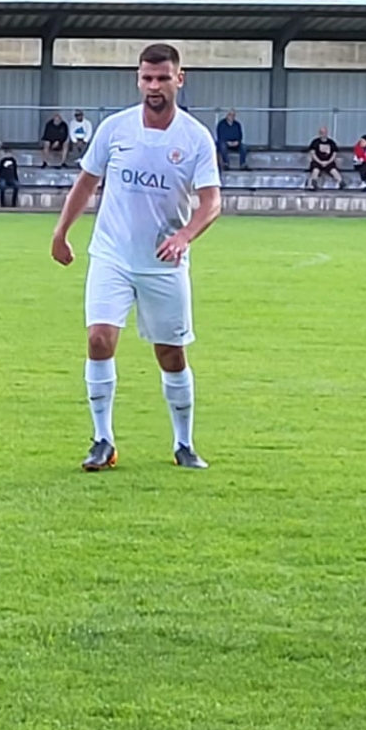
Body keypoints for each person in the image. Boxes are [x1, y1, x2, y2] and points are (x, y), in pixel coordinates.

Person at [50, 42, 220, 474]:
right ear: (138, 79)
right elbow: (86, 182)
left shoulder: (195, 138)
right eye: (147, 78)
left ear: (179, 79)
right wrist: (61, 231)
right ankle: (102, 440)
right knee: (98, 339)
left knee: (171, 354)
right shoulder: (115, 128)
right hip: (112, 255)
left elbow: (211, 202)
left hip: (162, 263)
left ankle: (184, 443)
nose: (154, 86)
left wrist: (185, 235)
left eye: (163, 78)